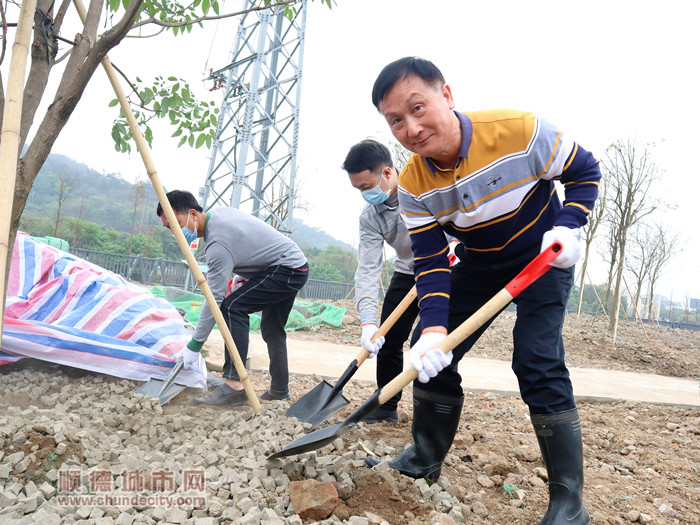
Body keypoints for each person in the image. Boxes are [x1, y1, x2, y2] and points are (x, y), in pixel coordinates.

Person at [366, 57, 601, 525]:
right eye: (396, 120)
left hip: (542, 257)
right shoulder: (413, 185)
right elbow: (431, 261)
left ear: (447, 96)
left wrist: (570, 225)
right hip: (479, 263)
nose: (411, 128)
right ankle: (423, 459)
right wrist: (433, 330)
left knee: (536, 359)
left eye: (418, 108)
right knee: (428, 354)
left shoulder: (520, 131)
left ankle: (569, 505)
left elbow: (585, 172)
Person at [156, 190, 309, 406]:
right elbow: (250, 241)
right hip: (294, 265)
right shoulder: (219, 214)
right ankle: (279, 390)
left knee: (231, 307)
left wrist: (195, 344)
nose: (174, 231)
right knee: (272, 329)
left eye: (175, 223)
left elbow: (214, 301)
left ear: (192, 214)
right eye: (168, 227)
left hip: (286, 269)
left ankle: (233, 386)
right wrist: (243, 274)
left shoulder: (217, 245)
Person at [341, 139, 421, 423]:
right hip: (407, 271)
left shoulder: (423, 184)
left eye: (365, 187)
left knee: (430, 342)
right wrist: (367, 322)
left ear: (387, 173)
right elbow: (368, 269)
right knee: (388, 338)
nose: (364, 194)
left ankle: (430, 412)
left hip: (447, 269)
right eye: (358, 189)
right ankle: (386, 405)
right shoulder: (371, 217)